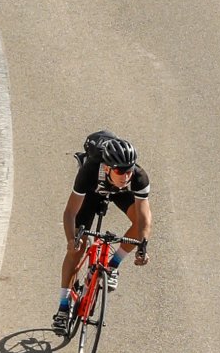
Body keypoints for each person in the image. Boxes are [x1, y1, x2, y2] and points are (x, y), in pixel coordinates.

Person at [55, 131, 151, 337]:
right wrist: (71, 240)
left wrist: (142, 247)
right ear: (107, 167)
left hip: (120, 194)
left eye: (129, 170)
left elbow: (145, 219)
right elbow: (70, 212)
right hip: (92, 192)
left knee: (138, 221)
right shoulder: (90, 171)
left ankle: (112, 265)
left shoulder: (139, 178)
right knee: (78, 247)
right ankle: (63, 306)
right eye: (120, 171)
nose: (126, 176)